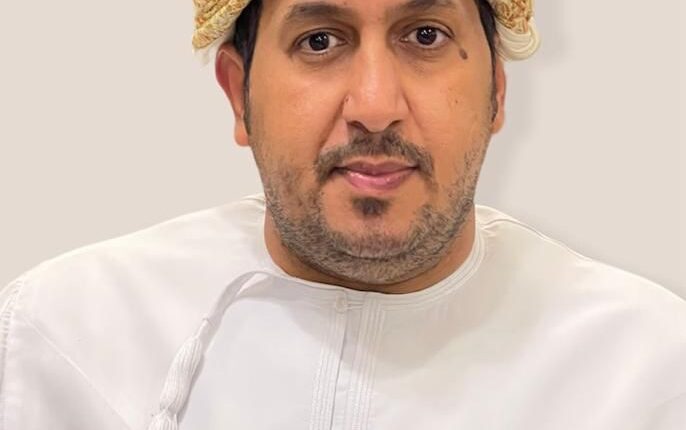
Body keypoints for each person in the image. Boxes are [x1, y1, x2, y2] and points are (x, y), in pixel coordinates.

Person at [0, 0, 683, 428]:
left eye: (425, 34)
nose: (376, 106)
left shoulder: (648, 368)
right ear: (239, 95)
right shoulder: (61, 333)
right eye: (320, 41)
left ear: (497, 93)